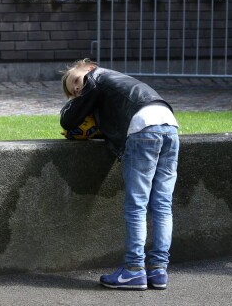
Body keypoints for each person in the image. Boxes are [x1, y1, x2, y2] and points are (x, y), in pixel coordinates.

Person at [60, 58, 180, 290]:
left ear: (88, 67)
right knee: (163, 204)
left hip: (143, 129)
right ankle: (158, 270)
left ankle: (134, 270)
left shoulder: (95, 77)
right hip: (169, 126)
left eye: (75, 81)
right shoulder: (119, 82)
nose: (77, 89)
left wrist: (73, 107)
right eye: (73, 92)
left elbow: (68, 119)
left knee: (137, 205)